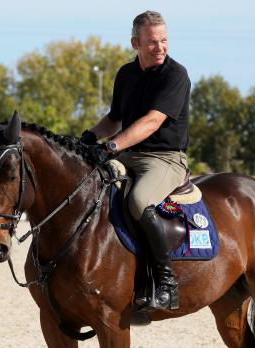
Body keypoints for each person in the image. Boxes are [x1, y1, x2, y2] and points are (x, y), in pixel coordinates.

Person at [81, 10, 190, 311]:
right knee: (89, 185)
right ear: (135, 44)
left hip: (164, 159)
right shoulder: (125, 75)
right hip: (129, 155)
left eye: (164, 40)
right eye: (152, 42)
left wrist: (111, 146)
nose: (160, 48)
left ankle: (166, 282)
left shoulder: (175, 75)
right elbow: (115, 118)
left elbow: (152, 121)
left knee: (139, 201)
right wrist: (89, 137)